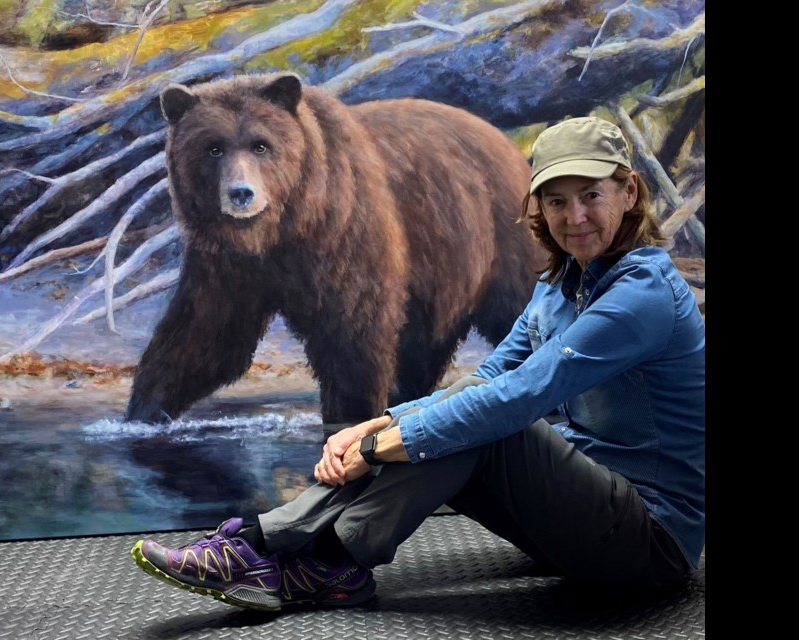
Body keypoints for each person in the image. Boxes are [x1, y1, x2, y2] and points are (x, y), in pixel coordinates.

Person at [130, 116, 705, 612]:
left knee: (488, 423)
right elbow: (486, 378)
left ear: (629, 192)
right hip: (581, 523)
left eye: (591, 195)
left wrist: (382, 445)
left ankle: (294, 552)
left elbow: (524, 394)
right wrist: (376, 424)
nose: (573, 216)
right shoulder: (560, 285)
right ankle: (287, 554)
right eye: (556, 200)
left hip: (649, 543)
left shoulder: (644, 294)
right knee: (464, 413)